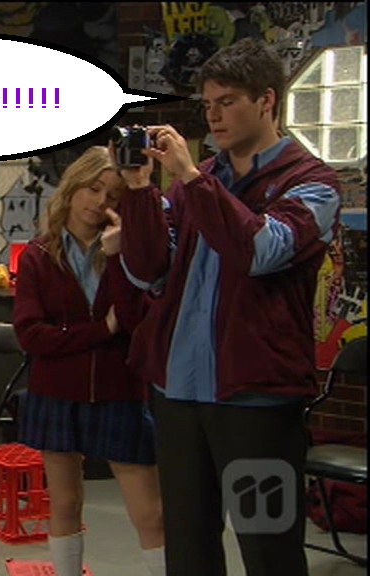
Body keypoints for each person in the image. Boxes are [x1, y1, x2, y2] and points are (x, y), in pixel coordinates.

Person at [116, 38, 341, 576]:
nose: (214, 116)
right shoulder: (199, 182)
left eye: (228, 102)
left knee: (268, 547)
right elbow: (148, 271)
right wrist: (140, 190)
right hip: (179, 392)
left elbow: (260, 252)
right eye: (208, 104)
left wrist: (192, 180)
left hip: (256, 398)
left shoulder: (311, 182)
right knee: (188, 545)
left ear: (267, 101)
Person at [12, 147, 165, 576]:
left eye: (112, 195)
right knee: (64, 504)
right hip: (57, 392)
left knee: (151, 513)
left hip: (119, 391)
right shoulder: (39, 254)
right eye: (93, 188)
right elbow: (31, 335)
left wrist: (117, 257)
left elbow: (134, 321)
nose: (99, 202)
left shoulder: (129, 251)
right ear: (73, 186)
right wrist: (100, 330)